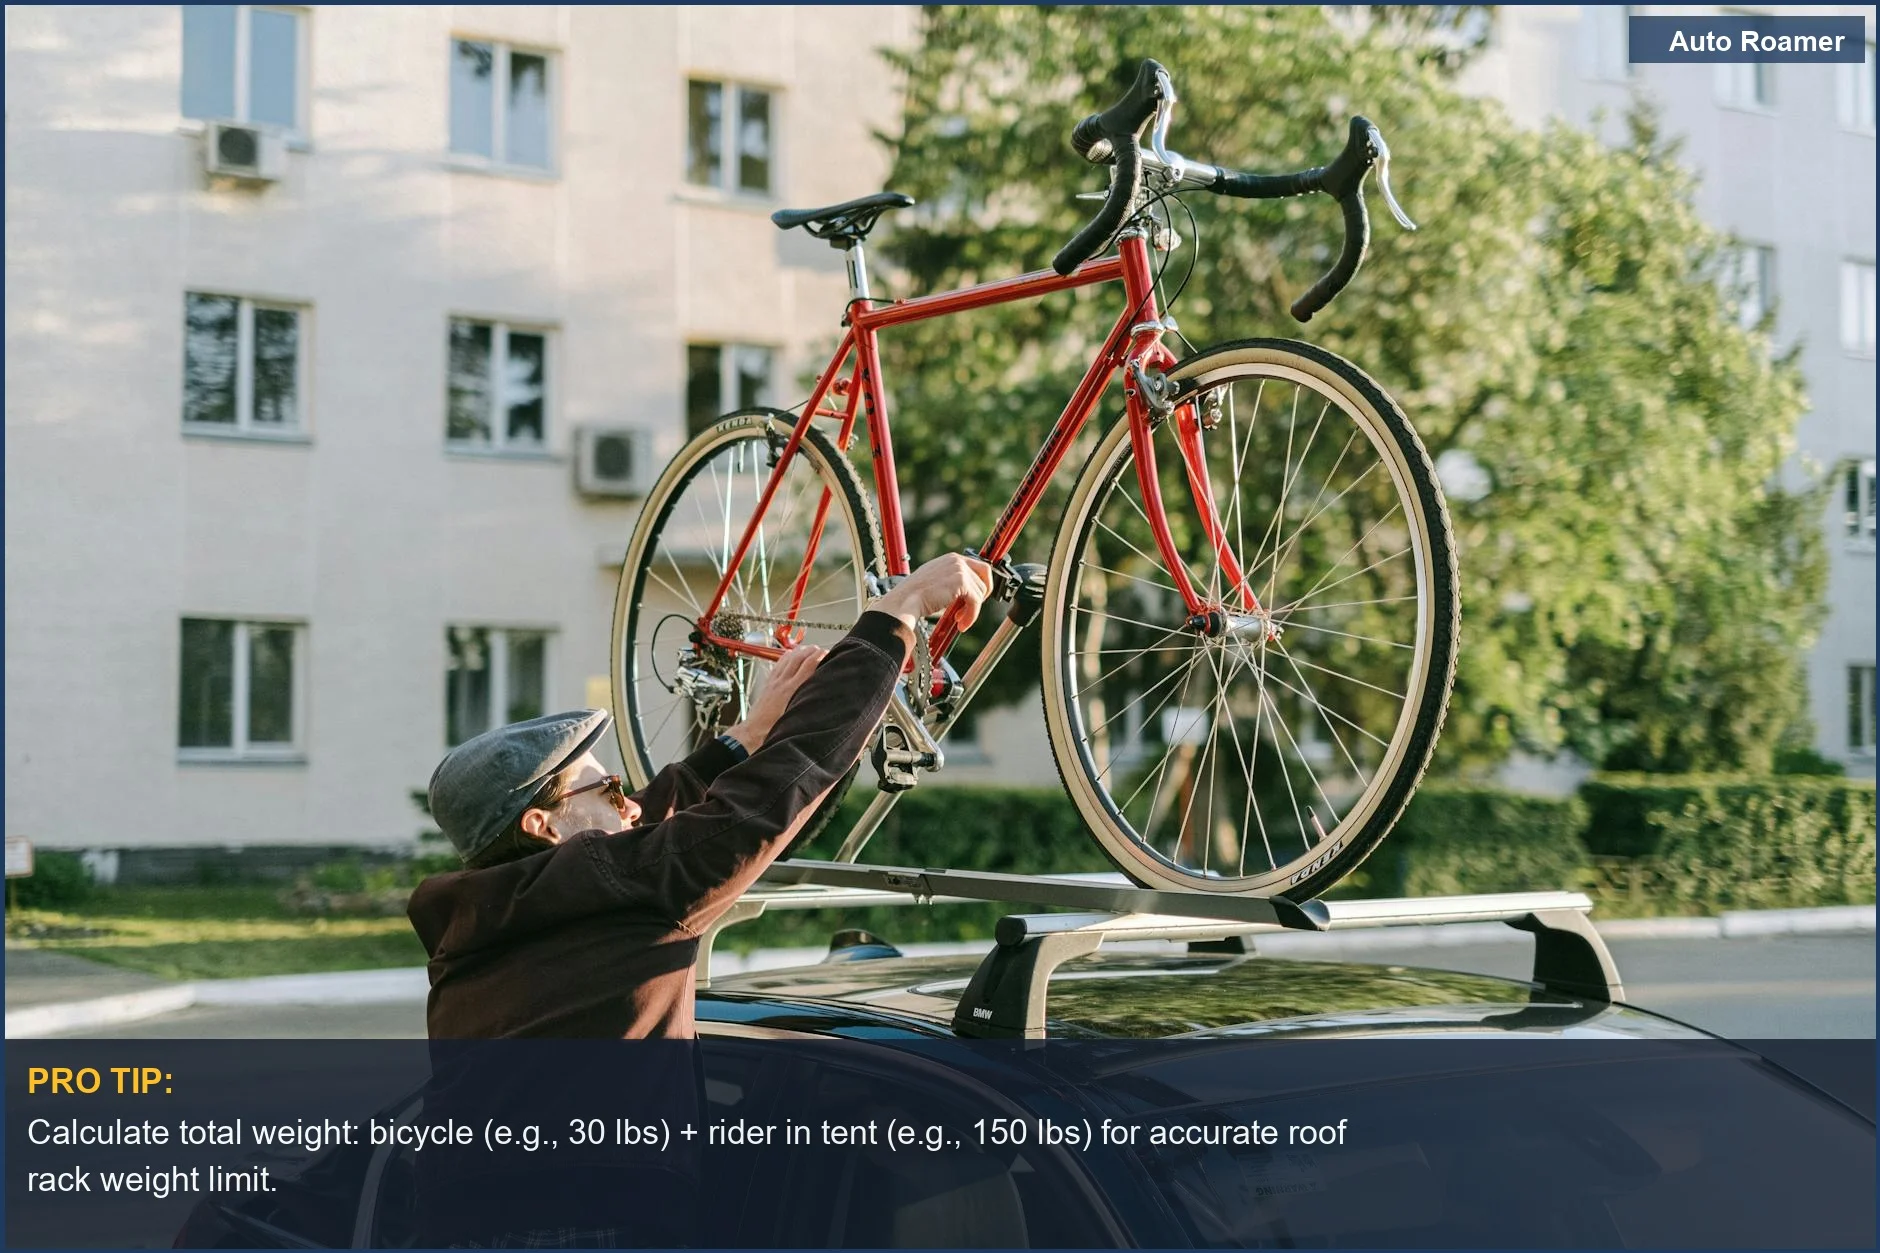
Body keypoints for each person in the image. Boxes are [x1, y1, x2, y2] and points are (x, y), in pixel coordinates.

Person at [407, 552, 993, 1040]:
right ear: (542, 825)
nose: (630, 803)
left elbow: (649, 832)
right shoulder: (612, 886)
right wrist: (898, 610)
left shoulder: (479, 932)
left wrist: (745, 737)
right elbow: (782, 782)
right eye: (608, 789)